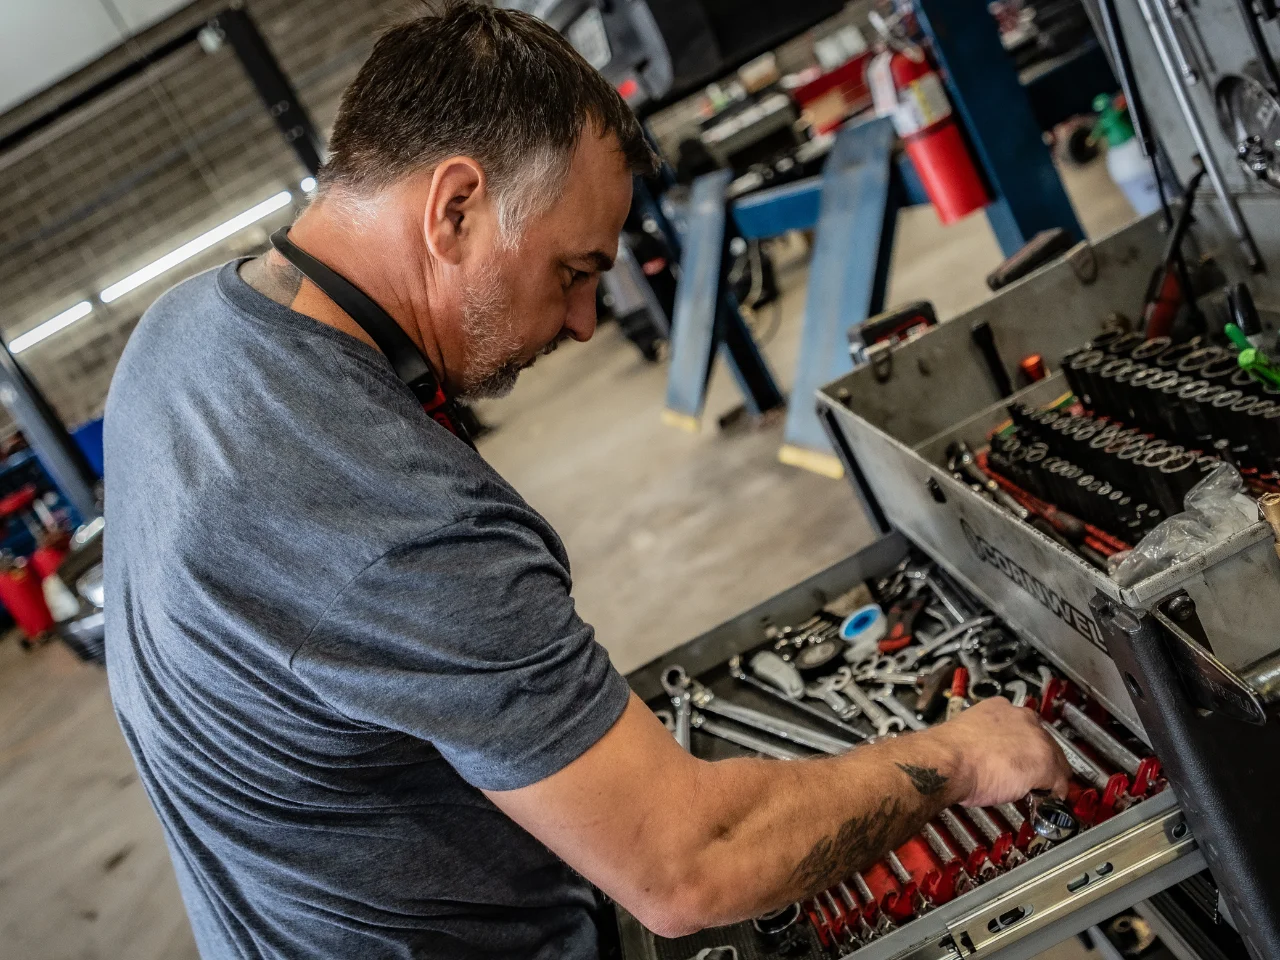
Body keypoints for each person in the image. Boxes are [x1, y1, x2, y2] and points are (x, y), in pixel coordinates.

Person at [103, 4, 1071, 958]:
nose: (580, 322)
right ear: (453, 209)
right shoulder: (396, 519)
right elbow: (690, 867)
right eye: (573, 271)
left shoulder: (182, 332)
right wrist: (957, 758)